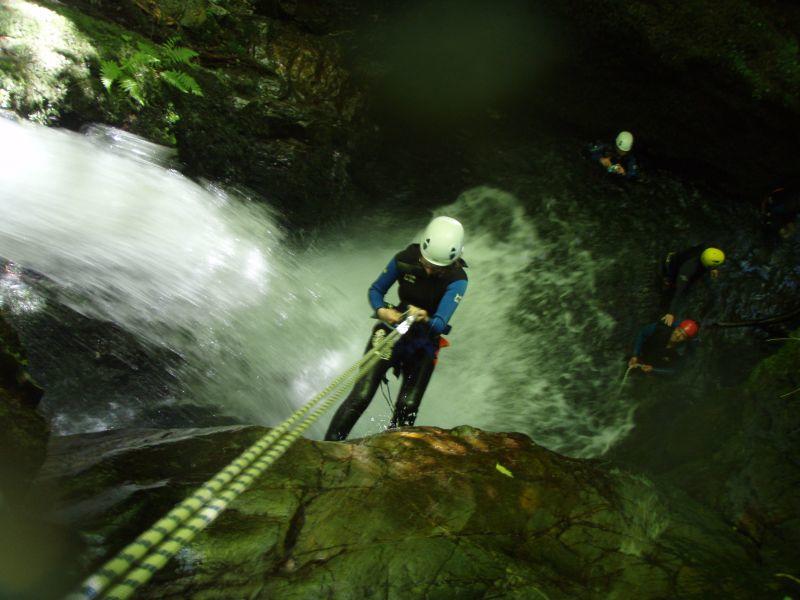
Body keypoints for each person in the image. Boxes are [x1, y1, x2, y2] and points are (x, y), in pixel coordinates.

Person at [324, 216, 469, 441]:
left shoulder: (458, 279)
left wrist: (424, 317)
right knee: (361, 396)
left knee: (407, 406)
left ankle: (392, 454)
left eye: (437, 268)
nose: (430, 271)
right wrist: (382, 310)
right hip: (392, 329)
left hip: (424, 340)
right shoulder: (405, 259)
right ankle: (330, 445)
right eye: (427, 264)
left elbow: (440, 322)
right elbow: (376, 290)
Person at [659, 245, 724, 326]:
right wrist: (671, 312)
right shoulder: (688, 269)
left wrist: (713, 268)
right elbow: (679, 292)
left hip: (679, 258)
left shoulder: (705, 249)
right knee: (674, 289)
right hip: (669, 266)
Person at [628, 318, 699, 376]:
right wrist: (635, 355)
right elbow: (642, 334)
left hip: (653, 370)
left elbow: (675, 370)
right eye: (679, 331)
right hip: (641, 356)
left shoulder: (681, 352)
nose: (677, 335)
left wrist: (654, 370)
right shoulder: (661, 328)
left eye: (683, 336)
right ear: (676, 328)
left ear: (685, 340)